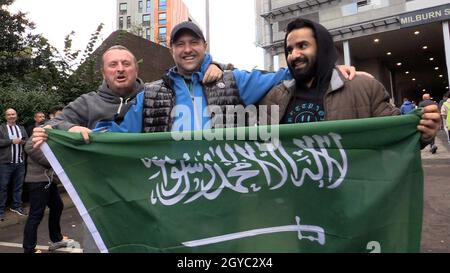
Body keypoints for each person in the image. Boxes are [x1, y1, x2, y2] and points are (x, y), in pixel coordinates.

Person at [91, 21, 358, 133]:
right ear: (172, 50)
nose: (187, 49)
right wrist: (75, 135)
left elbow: (289, 71)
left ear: (204, 46)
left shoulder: (235, 81)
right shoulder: (150, 94)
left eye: (193, 42)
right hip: (171, 195)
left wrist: (330, 68)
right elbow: (117, 135)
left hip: (227, 192)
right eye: (179, 44)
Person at [257, 18, 440, 144]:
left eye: (302, 46)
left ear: (322, 48)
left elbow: (397, 138)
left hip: (351, 197)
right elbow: (258, 147)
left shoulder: (365, 87)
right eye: (289, 50)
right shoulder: (275, 96)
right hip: (295, 197)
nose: (294, 55)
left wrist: (424, 132)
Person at [0, 108, 28, 221]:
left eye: (13, 114)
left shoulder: (21, 128)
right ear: (5, 117)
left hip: (20, 162)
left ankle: (16, 206)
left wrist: (23, 142)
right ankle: (0, 210)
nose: (11, 116)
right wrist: (11, 141)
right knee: (3, 187)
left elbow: (27, 141)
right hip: (5, 164)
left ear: (16, 115)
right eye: (9, 114)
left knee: (18, 186)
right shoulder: (1, 128)